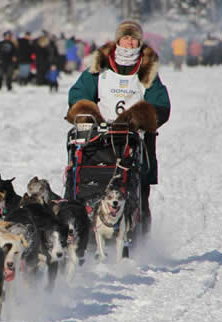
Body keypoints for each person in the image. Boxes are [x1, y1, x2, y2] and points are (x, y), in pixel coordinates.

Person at [67, 20, 171, 233]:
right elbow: (79, 92)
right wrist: (86, 114)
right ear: (118, 40)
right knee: (84, 175)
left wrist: (142, 119)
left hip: (135, 137)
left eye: (134, 38)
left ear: (139, 42)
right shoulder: (100, 65)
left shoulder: (147, 67)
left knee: (139, 186)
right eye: (126, 37)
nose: (130, 42)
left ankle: (139, 233)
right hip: (99, 135)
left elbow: (160, 104)